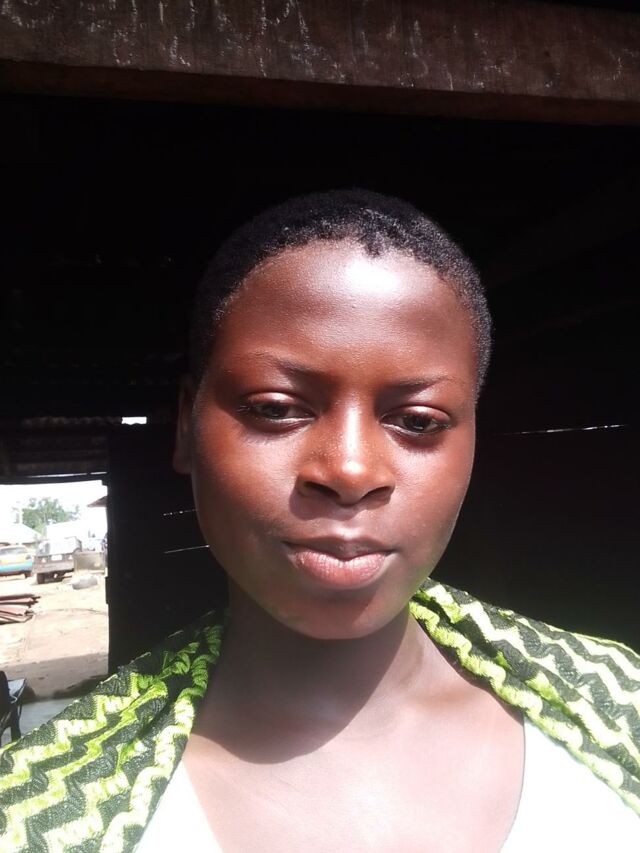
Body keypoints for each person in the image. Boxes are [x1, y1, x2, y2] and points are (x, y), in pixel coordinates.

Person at [1, 190, 639, 852]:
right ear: (187, 425)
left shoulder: (616, 703)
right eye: (275, 408)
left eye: (418, 421)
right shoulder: (37, 810)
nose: (351, 470)